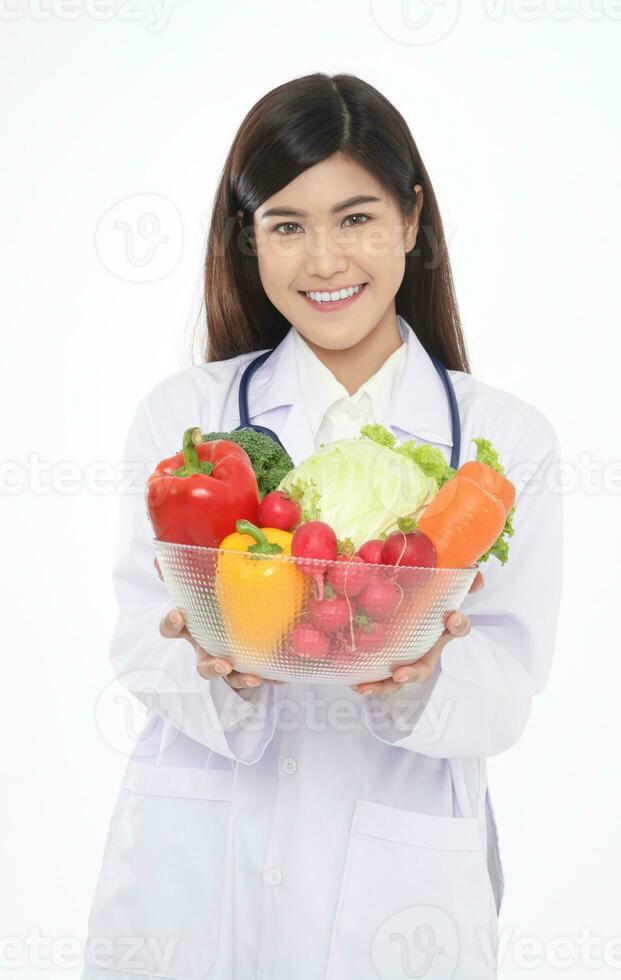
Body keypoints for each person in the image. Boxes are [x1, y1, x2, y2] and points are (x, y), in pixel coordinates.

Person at [81, 72, 563, 980]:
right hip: (196, 871)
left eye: (356, 218)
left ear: (412, 224)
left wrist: (419, 677)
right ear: (249, 239)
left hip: (401, 887)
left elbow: (509, 684)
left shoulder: (505, 442)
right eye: (287, 226)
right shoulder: (188, 419)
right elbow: (140, 642)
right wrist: (219, 669)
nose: (325, 261)